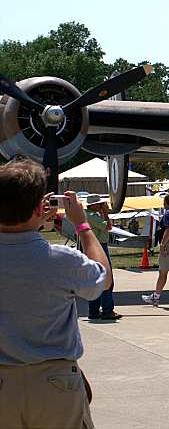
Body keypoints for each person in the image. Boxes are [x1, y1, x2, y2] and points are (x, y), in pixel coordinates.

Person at [0, 159, 111, 428]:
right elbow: (103, 279)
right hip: (55, 382)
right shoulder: (62, 260)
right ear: (40, 208)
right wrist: (82, 225)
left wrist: (31, 218)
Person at [84, 194, 122, 320]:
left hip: (92, 247)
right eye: (99, 204)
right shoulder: (92, 216)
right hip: (100, 247)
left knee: (95, 279)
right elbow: (108, 226)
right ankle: (107, 310)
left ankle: (94, 311)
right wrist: (105, 212)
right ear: (93, 205)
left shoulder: (87, 215)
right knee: (107, 279)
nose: (101, 205)